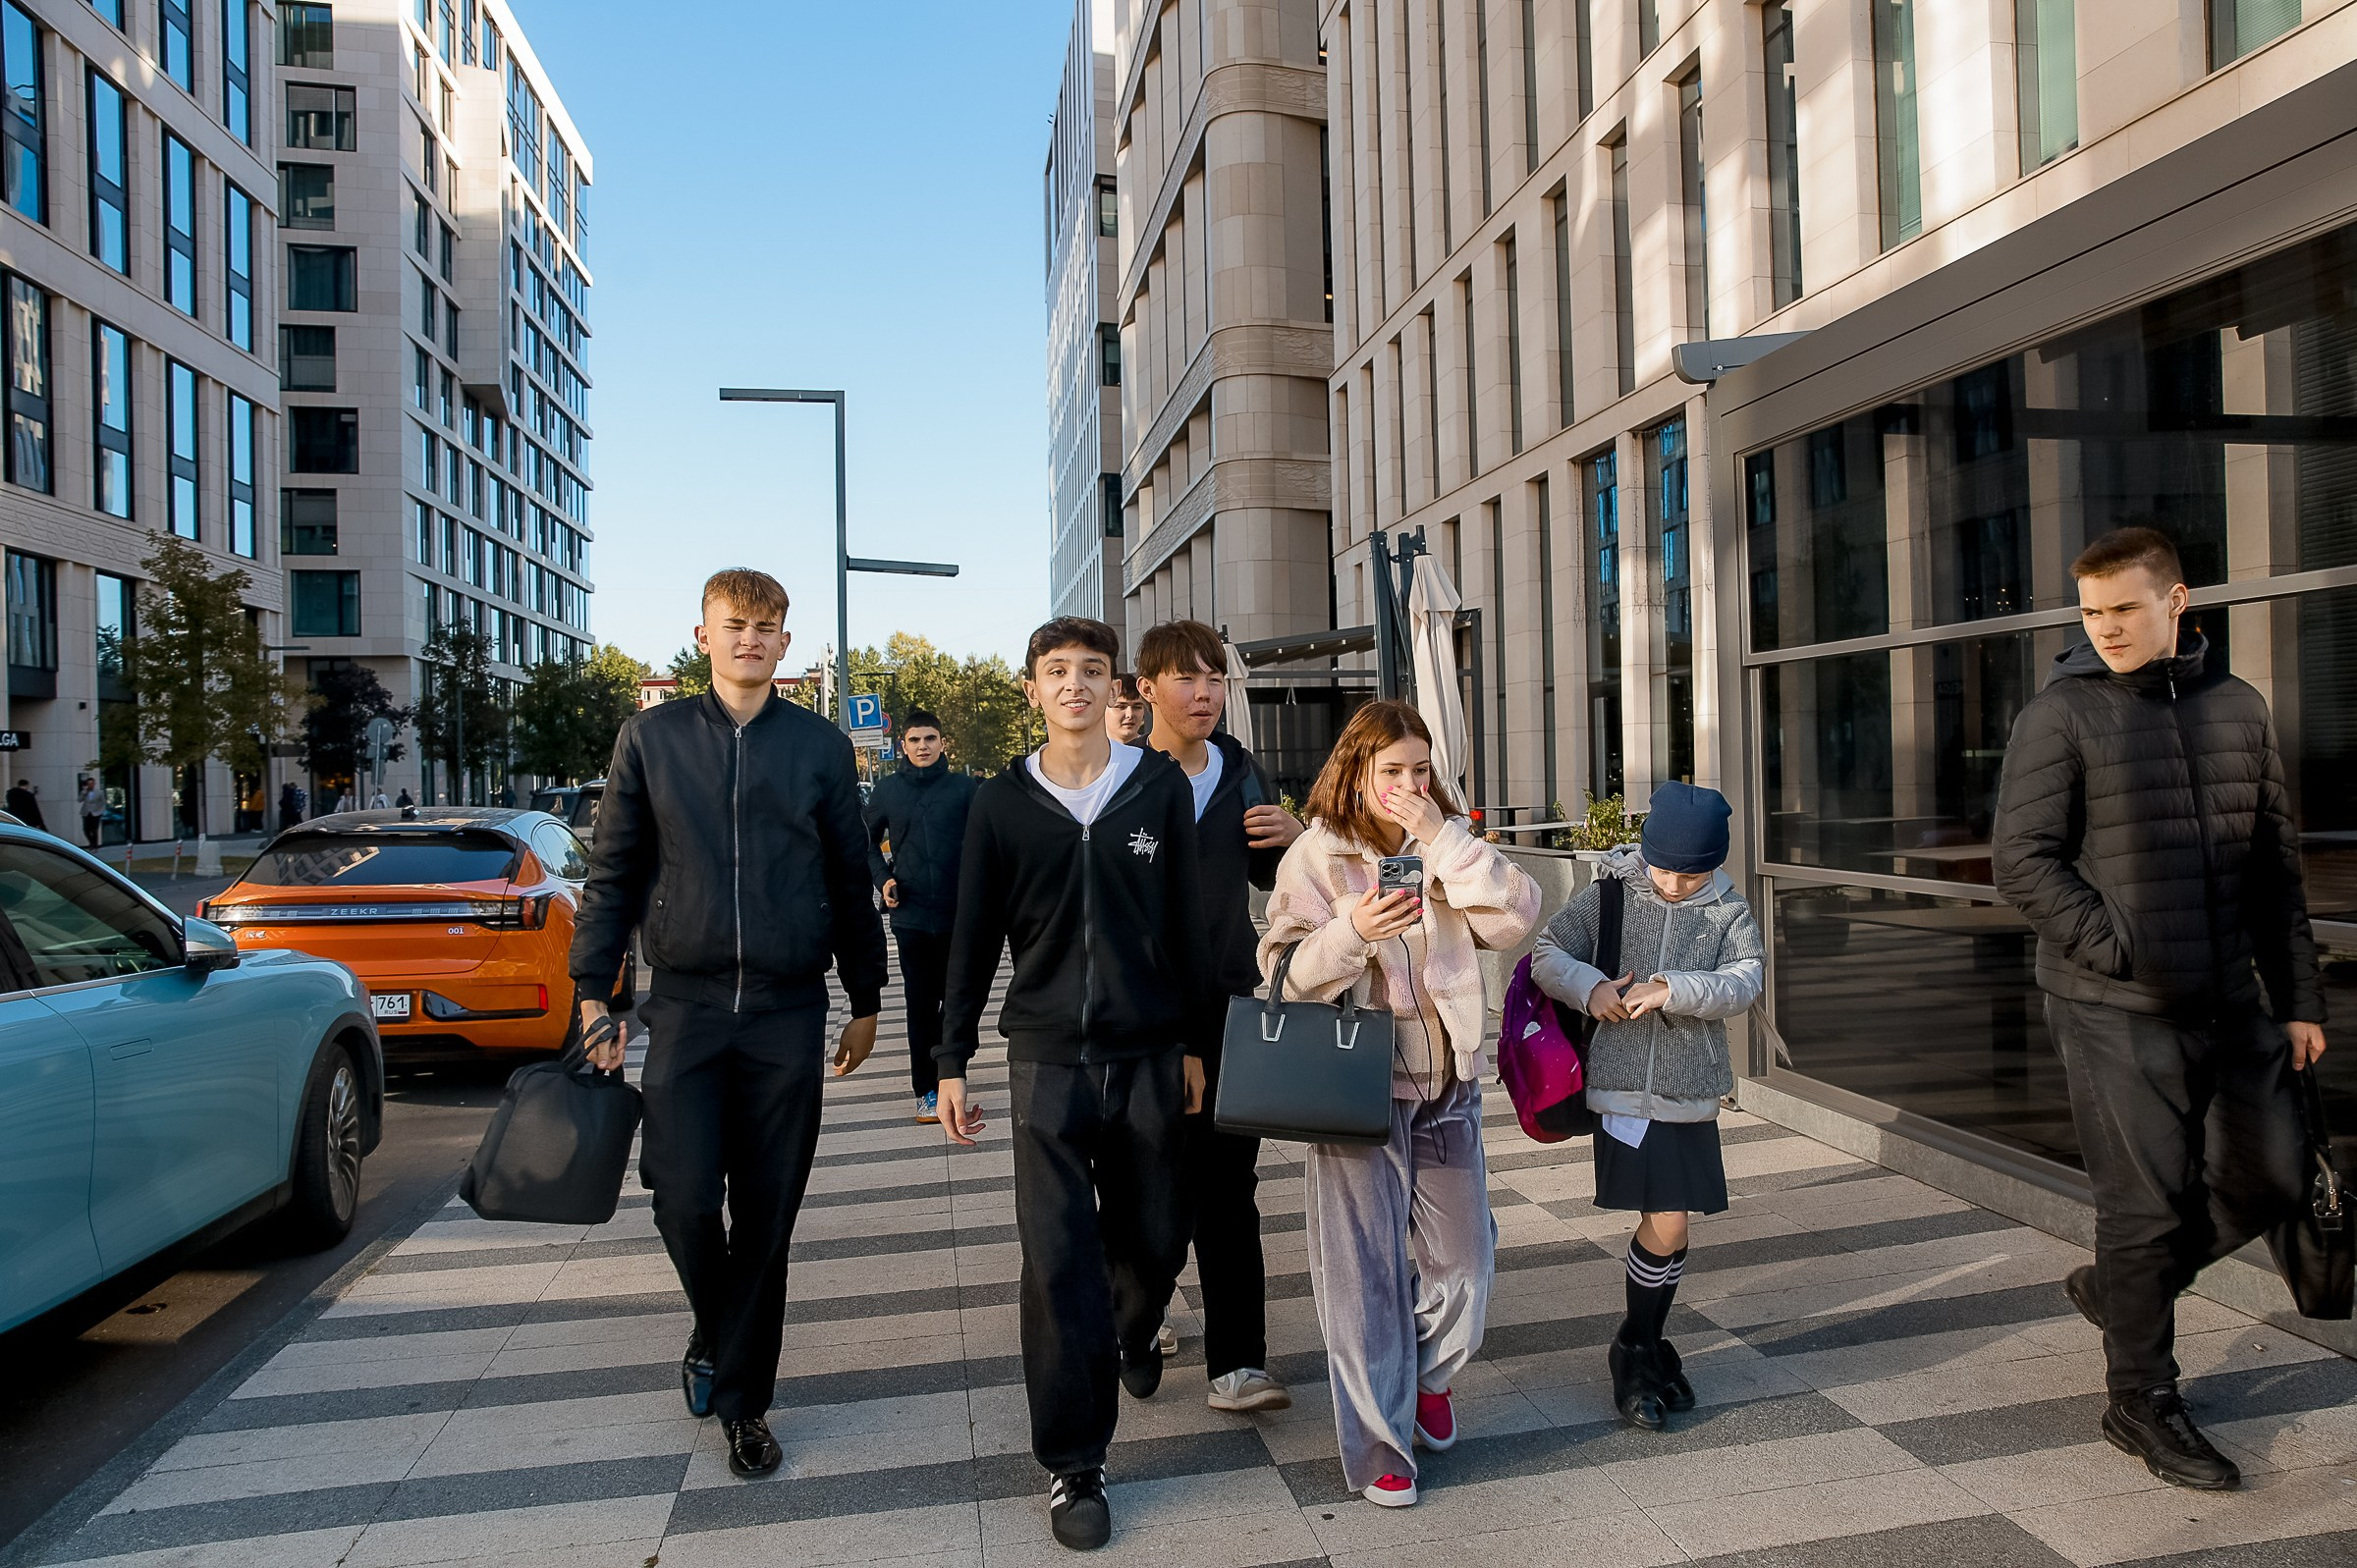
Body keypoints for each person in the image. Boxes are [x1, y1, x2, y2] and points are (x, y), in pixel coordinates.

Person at [1992, 526, 2324, 1492]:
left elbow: (2274, 869)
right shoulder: (2061, 715)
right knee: (2144, 1203)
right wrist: (2117, 944)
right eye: (2091, 613)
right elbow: (2025, 860)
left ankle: (2116, 1290)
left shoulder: (2237, 707)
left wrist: (2298, 998)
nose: (2105, 629)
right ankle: (2141, 1396)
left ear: (2178, 602)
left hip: (2229, 995)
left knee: (2276, 1173)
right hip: (2110, 1005)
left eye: (2124, 609)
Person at [569, 568, 888, 1481]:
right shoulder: (651, 738)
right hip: (688, 1008)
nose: (751, 637)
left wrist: (866, 998)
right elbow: (615, 874)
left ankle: (746, 1402)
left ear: (787, 643)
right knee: (679, 1195)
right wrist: (595, 989)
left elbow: (850, 880)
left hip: (788, 1010)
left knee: (769, 1215)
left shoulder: (821, 748)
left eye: (768, 625)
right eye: (734, 623)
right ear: (702, 635)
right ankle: (718, 1327)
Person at [937, 616, 1212, 1552]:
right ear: (1032, 689)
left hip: (1146, 1054)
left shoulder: (1158, 790)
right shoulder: (1000, 804)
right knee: (1056, 1263)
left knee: (1154, 1236)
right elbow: (970, 937)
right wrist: (948, 1058)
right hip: (1045, 1061)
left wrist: (1193, 1043)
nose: (1075, 685)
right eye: (1057, 671)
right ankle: (1075, 1463)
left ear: (1116, 691)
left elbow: (1191, 924)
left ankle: (1133, 1330)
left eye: (1093, 671)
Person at [1260, 699, 1539, 1509]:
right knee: (1363, 1275)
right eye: (1392, 772)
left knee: (1468, 1266)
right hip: (1354, 1085)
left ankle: (1423, 1376)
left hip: (1447, 1079)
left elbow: (1518, 915)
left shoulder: (1447, 844)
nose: (1409, 785)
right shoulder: (1316, 855)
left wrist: (1444, 837)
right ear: (1358, 772)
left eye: (1420, 770)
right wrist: (1353, 929)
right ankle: (1380, 1444)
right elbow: (1279, 971)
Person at [1529, 783, 1763, 1433]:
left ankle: (1643, 1342)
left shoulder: (1727, 910)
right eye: (1663, 867)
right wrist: (1592, 988)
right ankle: (1638, 1348)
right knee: (1667, 1220)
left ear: (1714, 863)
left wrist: (1672, 989)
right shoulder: (1609, 893)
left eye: (1692, 872)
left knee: (1672, 1225)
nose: (1674, 883)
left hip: (1689, 1093)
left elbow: (1747, 978)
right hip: (1620, 1092)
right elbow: (1547, 953)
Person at [1133, 619, 1301, 1412]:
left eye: (1215, 680)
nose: (1204, 693)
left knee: (1231, 1188)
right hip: (1140, 1018)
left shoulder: (1241, 771)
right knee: (1146, 1183)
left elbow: (1279, 878)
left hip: (1230, 1011)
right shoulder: (1122, 777)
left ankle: (1239, 1363)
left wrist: (1297, 838)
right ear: (1146, 688)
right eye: (1186, 678)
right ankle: (1139, 1311)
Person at [863, 707, 978, 1123]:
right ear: (903, 745)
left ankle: (953, 1074)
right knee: (920, 1006)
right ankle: (925, 1091)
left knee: (959, 1004)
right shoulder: (887, 792)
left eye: (930, 739)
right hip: (911, 917)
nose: (922, 746)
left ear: (942, 743)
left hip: (959, 916)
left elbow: (988, 844)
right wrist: (884, 880)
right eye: (914, 740)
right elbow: (866, 842)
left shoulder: (966, 790)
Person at [1105, 674, 1150, 746]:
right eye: (1121, 707)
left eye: (1137, 707)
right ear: (1103, 709)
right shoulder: (1087, 753)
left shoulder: (1156, 753)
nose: (1130, 715)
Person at [79, 777, 104, 850]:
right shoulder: (84, 792)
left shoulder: (99, 792)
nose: (90, 785)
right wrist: (84, 792)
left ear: (94, 784)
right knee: (86, 830)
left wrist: (100, 811)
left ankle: (95, 846)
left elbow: (103, 803)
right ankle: (92, 842)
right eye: (89, 784)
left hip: (96, 813)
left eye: (92, 783)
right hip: (86, 813)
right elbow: (79, 800)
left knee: (94, 830)